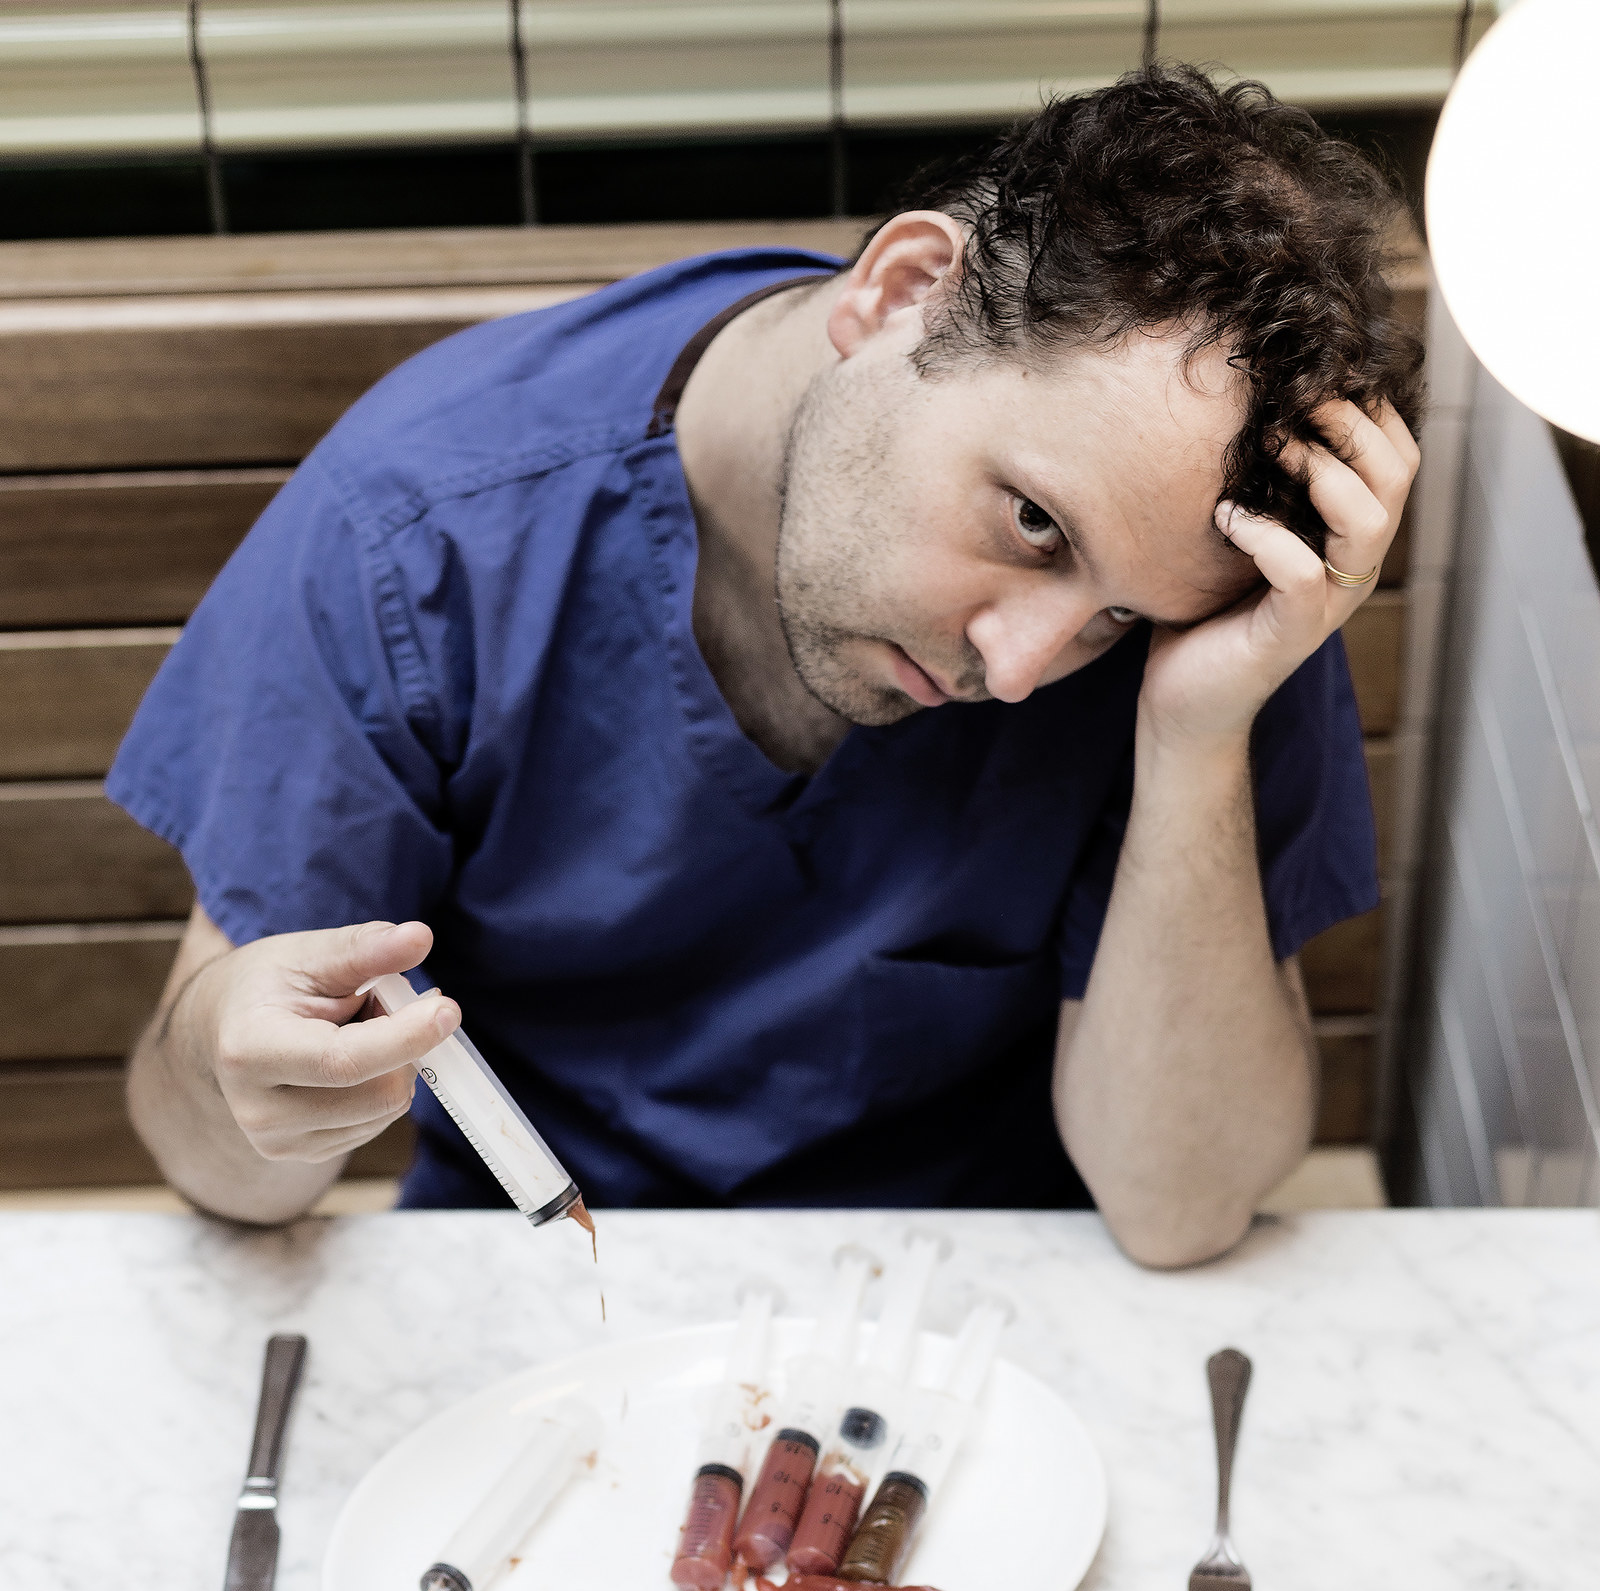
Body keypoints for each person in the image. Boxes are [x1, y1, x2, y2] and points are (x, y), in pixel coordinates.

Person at [112, 64, 1422, 1266]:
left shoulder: (1194, 590)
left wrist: (1193, 734)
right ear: (903, 291)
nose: (1022, 667)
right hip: (558, 1279)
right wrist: (242, 1080)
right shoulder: (425, 529)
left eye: (1113, 623)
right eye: (1031, 523)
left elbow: (1177, 1208)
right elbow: (218, 1169)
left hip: (993, 1312)